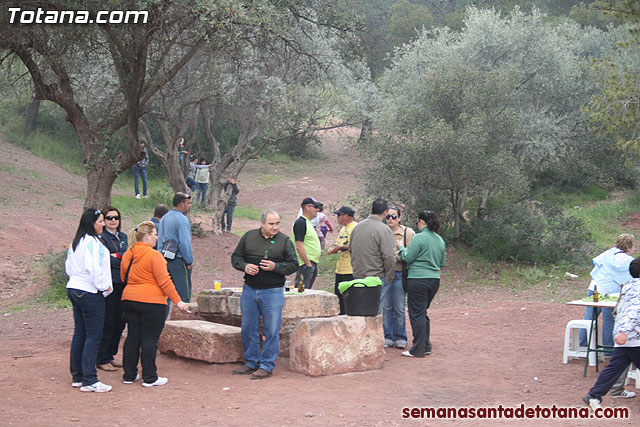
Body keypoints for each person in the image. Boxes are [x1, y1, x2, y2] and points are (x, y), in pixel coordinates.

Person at [120, 221, 190, 387]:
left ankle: (129, 374)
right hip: (152, 302)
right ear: (147, 236)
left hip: (129, 299)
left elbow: (124, 277)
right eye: (154, 234)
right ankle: (150, 377)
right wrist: (178, 301)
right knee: (149, 339)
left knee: (133, 337)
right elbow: (164, 281)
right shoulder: (154, 255)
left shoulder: (128, 254)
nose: (157, 237)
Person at [231, 210, 298, 379]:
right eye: (271, 224)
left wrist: (275, 267)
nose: (275, 227)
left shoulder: (285, 241)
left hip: (273, 291)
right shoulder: (249, 237)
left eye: (277, 223)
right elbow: (236, 258)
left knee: (272, 330)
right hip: (250, 289)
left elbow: (293, 265)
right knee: (248, 328)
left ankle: (267, 365)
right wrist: (245, 266)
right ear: (262, 223)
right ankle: (251, 362)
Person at [65, 208, 113, 392]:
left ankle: (78, 376)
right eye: (100, 221)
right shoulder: (93, 243)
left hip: (74, 288)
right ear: (92, 223)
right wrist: (104, 287)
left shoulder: (77, 242)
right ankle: (89, 379)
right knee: (93, 336)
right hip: (89, 291)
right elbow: (94, 268)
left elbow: (68, 266)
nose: (103, 224)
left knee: (81, 333)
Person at [583, 257, 640, 411]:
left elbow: (620, 310)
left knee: (613, 369)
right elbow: (634, 312)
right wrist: (625, 332)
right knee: (614, 368)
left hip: (626, 337)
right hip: (633, 338)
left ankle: (593, 396)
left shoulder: (629, 286)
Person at [397, 210, 446, 358]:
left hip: (418, 279)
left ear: (421, 221)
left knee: (416, 314)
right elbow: (442, 263)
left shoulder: (419, 238)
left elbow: (408, 258)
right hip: (434, 280)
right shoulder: (439, 240)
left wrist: (401, 248)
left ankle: (417, 349)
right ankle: (425, 345)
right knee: (422, 312)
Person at [580, 234, 636, 354]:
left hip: (594, 287)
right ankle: (608, 350)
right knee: (608, 320)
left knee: (589, 319)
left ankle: (582, 346)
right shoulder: (629, 261)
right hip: (611, 292)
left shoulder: (609, 253)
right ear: (628, 246)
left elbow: (597, 266)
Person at [96, 206, 128, 372]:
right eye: (109, 218)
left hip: (123, 283)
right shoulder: (101, 238)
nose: (113, 220)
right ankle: (101, 357)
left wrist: (118, 256)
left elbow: (127, 257)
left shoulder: (123, 236)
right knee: (108, 321)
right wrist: (119, 257)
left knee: (120, 321)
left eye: (116, 217)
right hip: (109, 285)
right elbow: (107, 260)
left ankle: (110, 355)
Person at [383, 206, 415, 349]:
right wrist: (396, 254)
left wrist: (390, 255)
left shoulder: (408, 233)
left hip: (400, 273)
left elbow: (408, 254)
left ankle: (400, 337)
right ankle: (387, 336)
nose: (390, 219)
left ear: (400, 218)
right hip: (385, 274)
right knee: (386, 307)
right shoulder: (381, 232)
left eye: (394, 216)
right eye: (388, 216)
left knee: (399, 307)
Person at [349, 198, 396, 290]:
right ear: (385, 212)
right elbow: (389, 256)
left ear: (371, 209)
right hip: (376, 278)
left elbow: (351, 249)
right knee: (378, 304)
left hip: (358, 276)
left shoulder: (357, 227)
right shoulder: (384, 229)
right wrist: (389, 277)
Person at [158, 192, 194, 302]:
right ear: (181, 204)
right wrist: (189, 261)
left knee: (167, 294)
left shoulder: (164, 218)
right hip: (179, 260)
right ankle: (184, 319)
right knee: (184, 295)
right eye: (188, 203)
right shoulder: (182, 220)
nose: (190, 206)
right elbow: (184, 243)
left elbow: (160, 239)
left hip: (164, 259)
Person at [327, 206, 357, 315]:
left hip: (351, 270)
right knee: (340, 301)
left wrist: (340, 247)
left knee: (350, 301)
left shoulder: (355, 228)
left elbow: (357, 246)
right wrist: (334, 249)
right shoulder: (343, 229)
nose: (337, 218)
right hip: (340, 270)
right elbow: (340, 245)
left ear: (346, 216)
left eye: (338, 215)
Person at [293, 197, 322, 289]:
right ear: (307, 207)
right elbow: (299, 245)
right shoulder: (301, 223)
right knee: (301, 292)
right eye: (315, 207)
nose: (317, 210)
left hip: (311, 263)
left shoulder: (308, 223)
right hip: (305, 264)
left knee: (307, 291)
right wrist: (308, 264)